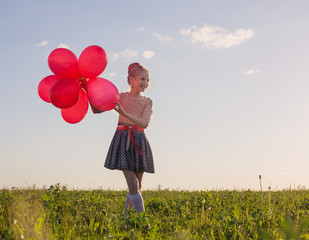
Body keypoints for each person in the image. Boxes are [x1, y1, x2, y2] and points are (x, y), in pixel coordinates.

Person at [104, 62, 154, 216]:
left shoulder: (147, 101)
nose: (145, 83)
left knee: (138, 186)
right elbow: (97, 108)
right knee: (132, 183)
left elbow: (144, 123)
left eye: (147, 80)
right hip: (123, 139)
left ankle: (125, 217)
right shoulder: (120, 97)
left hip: (139, 140)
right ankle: (143, 220)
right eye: (142, 79)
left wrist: (125, 114)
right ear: (131, 80)